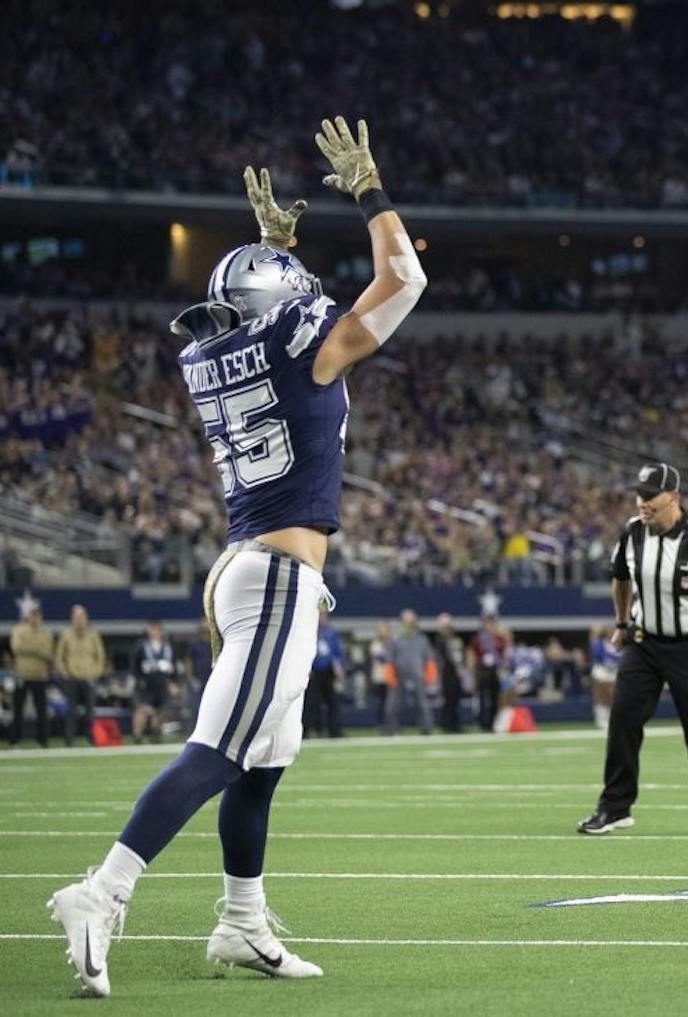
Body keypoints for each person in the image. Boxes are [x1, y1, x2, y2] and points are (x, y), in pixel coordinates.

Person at [48, 116, 426, 996]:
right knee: (221, 750)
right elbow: (403, 276)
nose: (314, 295)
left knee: (265, 756)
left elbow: (254, 313)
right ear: (286, 298)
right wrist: (370, 191)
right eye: (299, 281)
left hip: (247, 567)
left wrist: (270, 246)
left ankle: (242, 922)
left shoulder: (211, 350)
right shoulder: (303, 341)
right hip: (277, 577)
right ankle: (101, 892)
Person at [578, 462, 688, 837]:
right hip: (644, 642)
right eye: (640, 496)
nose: (643, 503)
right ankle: (615, 808)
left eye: (651, 497)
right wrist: (621, 623)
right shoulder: (632, 534)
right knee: (622, 721)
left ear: (674, 498)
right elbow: (620, 578)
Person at [55, 604, 106, 747]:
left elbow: (100, 656)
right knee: (71, 711)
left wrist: (95, 673)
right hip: (72, 678)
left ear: (86, 618)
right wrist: (65, 673)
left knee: (90, 712)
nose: (79, 620)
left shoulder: (93, 634)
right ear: (72, 618)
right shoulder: (66, 635)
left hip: (89, 678)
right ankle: (69, 741)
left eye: (81, 616)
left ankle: (91, 739)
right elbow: (59, 657)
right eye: (76, 617)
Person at [9, 605, 53, 747]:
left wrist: (27, 647)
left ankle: (43, 741)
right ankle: (15, 740)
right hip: (22, 674)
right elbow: (16, 648)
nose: (34, 619)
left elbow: (47, 652)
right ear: (28, 617)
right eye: (32, 616)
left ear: (40, 618)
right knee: (18, 709)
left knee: (41, 709)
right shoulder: (18, 630)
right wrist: (36, 648)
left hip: (39, 675)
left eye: (37, 616)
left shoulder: (46, 633)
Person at [387, 609, 435, 736]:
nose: (409, 623)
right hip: (398, 675)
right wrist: (390, 676)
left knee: (423, 704)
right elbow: (390, 659)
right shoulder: (395, 638)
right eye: (407, 621)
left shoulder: (421, 639)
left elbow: (429, 658)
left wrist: (430, 675)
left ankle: (426, 729)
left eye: (411, 621)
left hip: (418, 675)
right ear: (402, 622)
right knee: (393, 704)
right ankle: (392, 729)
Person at [132, 621, 175, 744]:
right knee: (142, 708)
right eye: (153, 630)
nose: (155, 633)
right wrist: (139, 679)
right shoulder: (142, 646)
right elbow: (135, 664)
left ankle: (156, 733)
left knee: (159, 710)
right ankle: (137, 734)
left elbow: (173, 665)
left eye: (158, 630)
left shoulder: (167, 647)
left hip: (161, 682)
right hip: (147, 682)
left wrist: (172, 681)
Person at [304, 610, 345, 738]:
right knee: (311, 703)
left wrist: (340, 668)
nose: (322, 618)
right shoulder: (309, 632)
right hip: (314, 671)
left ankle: (334, 730)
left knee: (333, 702)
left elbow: (338, 652)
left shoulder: (331, 632)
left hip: (328, 671)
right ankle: (307, 730)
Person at [467, 612, 509, 732]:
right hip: (482, 670)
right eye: (488, 622)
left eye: (492, 622)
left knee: (495, 697)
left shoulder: (500, 639)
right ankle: (481, 723)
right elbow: (472, 654)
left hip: (495, 670)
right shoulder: (479, 638)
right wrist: (472, 671)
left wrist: (503, 668)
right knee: (481, 698)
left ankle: (492, 723)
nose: (490, 625)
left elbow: (504, 655)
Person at [432, 612, 466, 734]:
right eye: (445, 626)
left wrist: (461, 668)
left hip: (456, 673)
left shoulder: (456, 639)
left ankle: (455, 724)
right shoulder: (440, 640)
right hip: (446, 673)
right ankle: (447, 725)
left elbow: (460, 655)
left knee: (455, 699)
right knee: (447, 700)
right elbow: (443, 657)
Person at [589, 625, 619, 730]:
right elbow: (599, 655)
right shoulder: (600, 643)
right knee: (601, 695)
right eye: (610, 631)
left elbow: (622, 657)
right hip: (602, 671)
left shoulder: (619, 644)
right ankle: (601, 719)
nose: (612, 633)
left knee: (614, 696)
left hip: (615, 672)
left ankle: (613, 719)